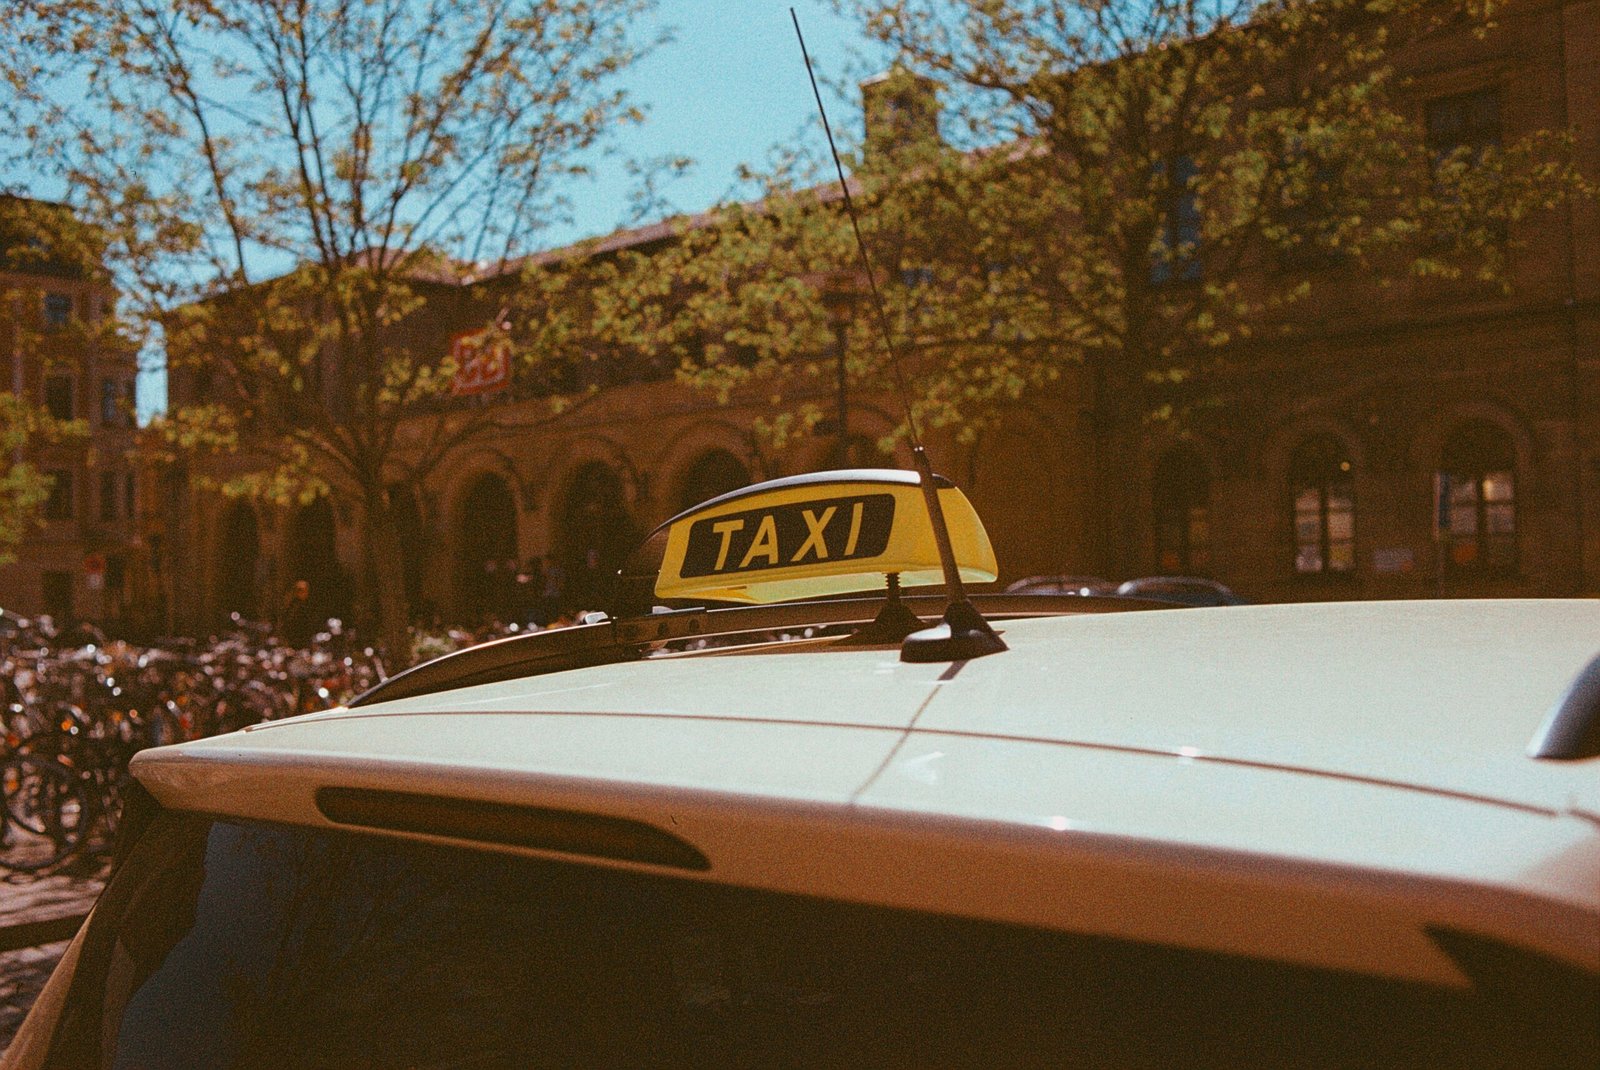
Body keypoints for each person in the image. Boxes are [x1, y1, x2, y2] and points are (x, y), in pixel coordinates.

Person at [279, 579, 317, 648]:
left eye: (304, 590)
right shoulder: (291, 606)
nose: (302, 593)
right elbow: (286, 623)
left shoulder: (311, 605)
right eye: (299, 590)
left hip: (307, 640)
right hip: (293, 641)